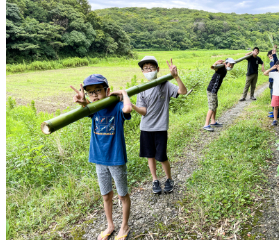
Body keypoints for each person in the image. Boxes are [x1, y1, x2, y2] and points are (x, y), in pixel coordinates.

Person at [71, 74, 133, 240]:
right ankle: (110, 225)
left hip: (116, 158)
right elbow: (85, 108)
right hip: (99, 159)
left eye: (98, 90)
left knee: (122, 195)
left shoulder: (116, 106)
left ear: (107, 91)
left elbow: (127, 109)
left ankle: (124, 225)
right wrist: (83, 101)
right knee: (106, 195)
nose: (94, 95)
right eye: (90, 92)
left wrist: (124, 93)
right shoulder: (93, 108)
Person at [132, 56, 189, 194]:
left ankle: (169, 179)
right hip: (146, 128)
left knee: (162, 156)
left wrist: (176, 77)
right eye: (145, 68)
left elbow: (183, 91)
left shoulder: (165, 84)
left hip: (161, 128)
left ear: (157, 69)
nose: (148, 70)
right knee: (150, 156)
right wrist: (131, 105)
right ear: (142, 72)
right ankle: (155, 180)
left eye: (151, 67)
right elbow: (143, 111)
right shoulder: (142, 89)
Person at [203, 58, 236, 132]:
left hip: (214, 91)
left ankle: (213, 121)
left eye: (232, 65)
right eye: (230, 64)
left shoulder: (225, 69)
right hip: (211, 90)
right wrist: (215, 63)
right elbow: (214, 67)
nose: (231, 66)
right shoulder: (221, 68)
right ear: (226, 63)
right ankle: (206, 125)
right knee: (212, 107)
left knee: (215, 105)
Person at [266, 46, 279, 118]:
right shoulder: (271, 63)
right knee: (272, 98)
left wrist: (274, 53)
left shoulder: (275, 62)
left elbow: (276, 59)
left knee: (274, 98)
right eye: (269, 57)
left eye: (271, 56)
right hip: (271, 82)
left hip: (275, 83)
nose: (270, 58)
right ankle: (275, 111)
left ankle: (276, 114)